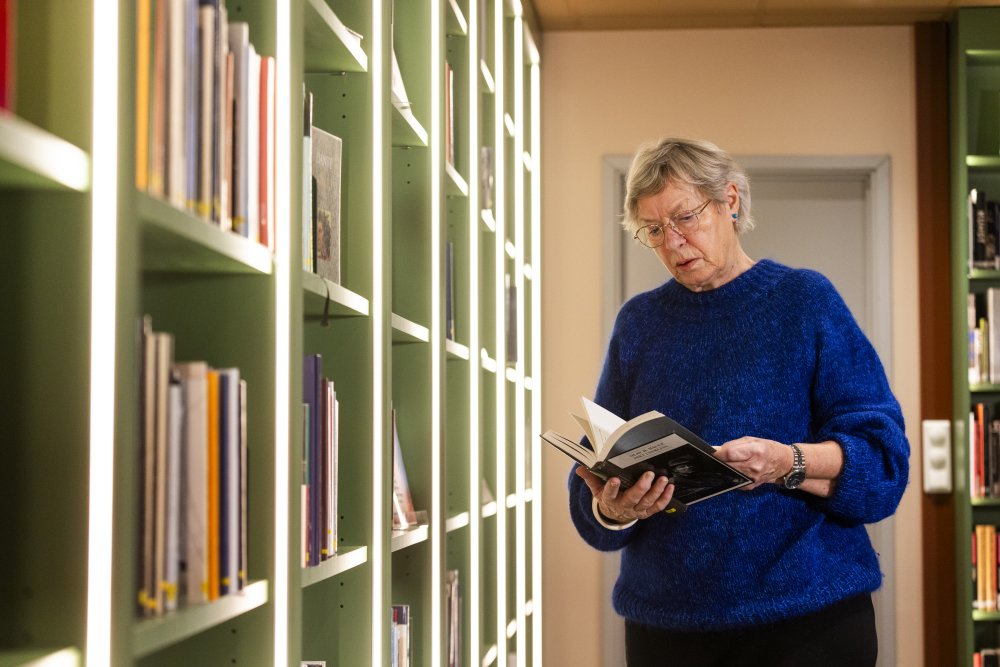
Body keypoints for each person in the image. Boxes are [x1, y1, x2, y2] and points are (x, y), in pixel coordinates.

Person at [568, 137, 909, 667]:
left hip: (808, 624)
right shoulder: (638, 324)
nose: (673, 242)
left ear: (729, 200)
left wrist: (787, 463)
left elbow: (883, 465)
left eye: (685, 217)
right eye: (653, 230)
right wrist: (610, 508)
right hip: (668, 628)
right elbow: (591, 485)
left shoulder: (806, 301)